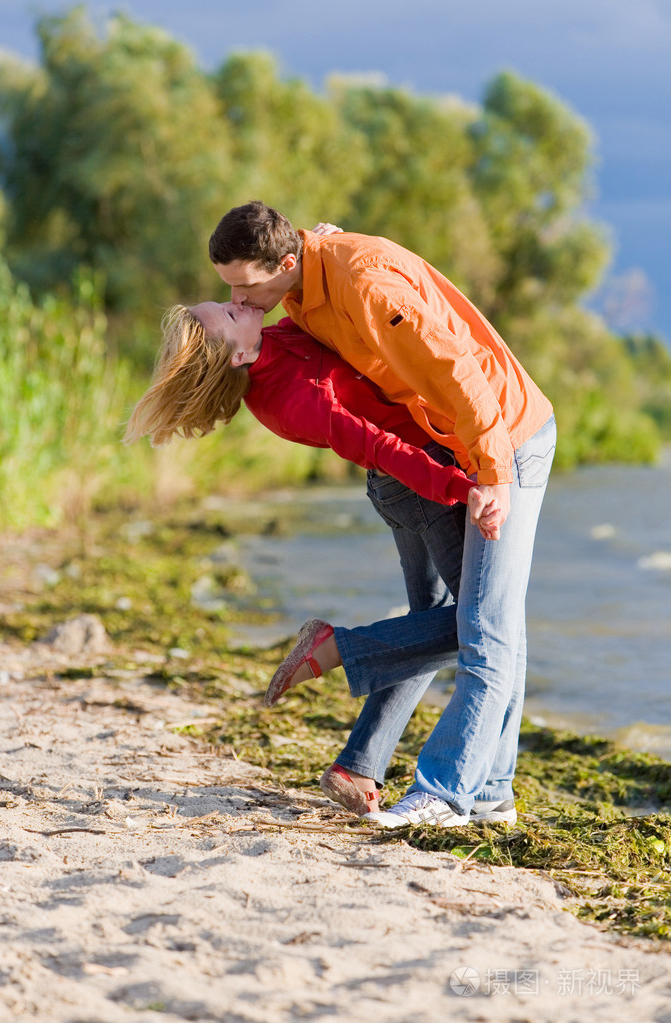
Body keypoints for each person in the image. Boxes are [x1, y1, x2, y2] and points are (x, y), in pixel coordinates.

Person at [209, 201, 556, 829]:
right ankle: (489, 791)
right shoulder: (293, 294)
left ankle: (445, 791)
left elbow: (458, 368)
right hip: (448, 449)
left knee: (486, 625)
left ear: (285, 263)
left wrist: (490, 471)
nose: (235, 296)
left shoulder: (362, 284)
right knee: (489, 624)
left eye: (241, 285)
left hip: (504, 436)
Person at [124, 300, 501, 815]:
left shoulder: (273, 340)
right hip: (418, 482)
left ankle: (359, 765)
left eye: (228, 299)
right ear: (237, 355)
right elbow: (376, 444)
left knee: (426, 625)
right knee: (478, 626)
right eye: (230, 315)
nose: (238, 303)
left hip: (408, 483)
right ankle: (338, 647)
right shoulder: (289, 399)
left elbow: (309, 305)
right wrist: (461, 488)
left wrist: (319, 248)